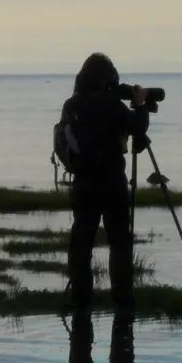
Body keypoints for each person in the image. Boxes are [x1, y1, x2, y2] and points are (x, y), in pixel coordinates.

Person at [58, 53, 151, 307]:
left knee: (81, 239)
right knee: (119, 240)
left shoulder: (71, 104)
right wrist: (141, 104)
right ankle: (122, 300)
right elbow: (137, 128)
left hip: (83, 181)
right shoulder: (111, 104)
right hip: (111, 181)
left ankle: (81, 300)